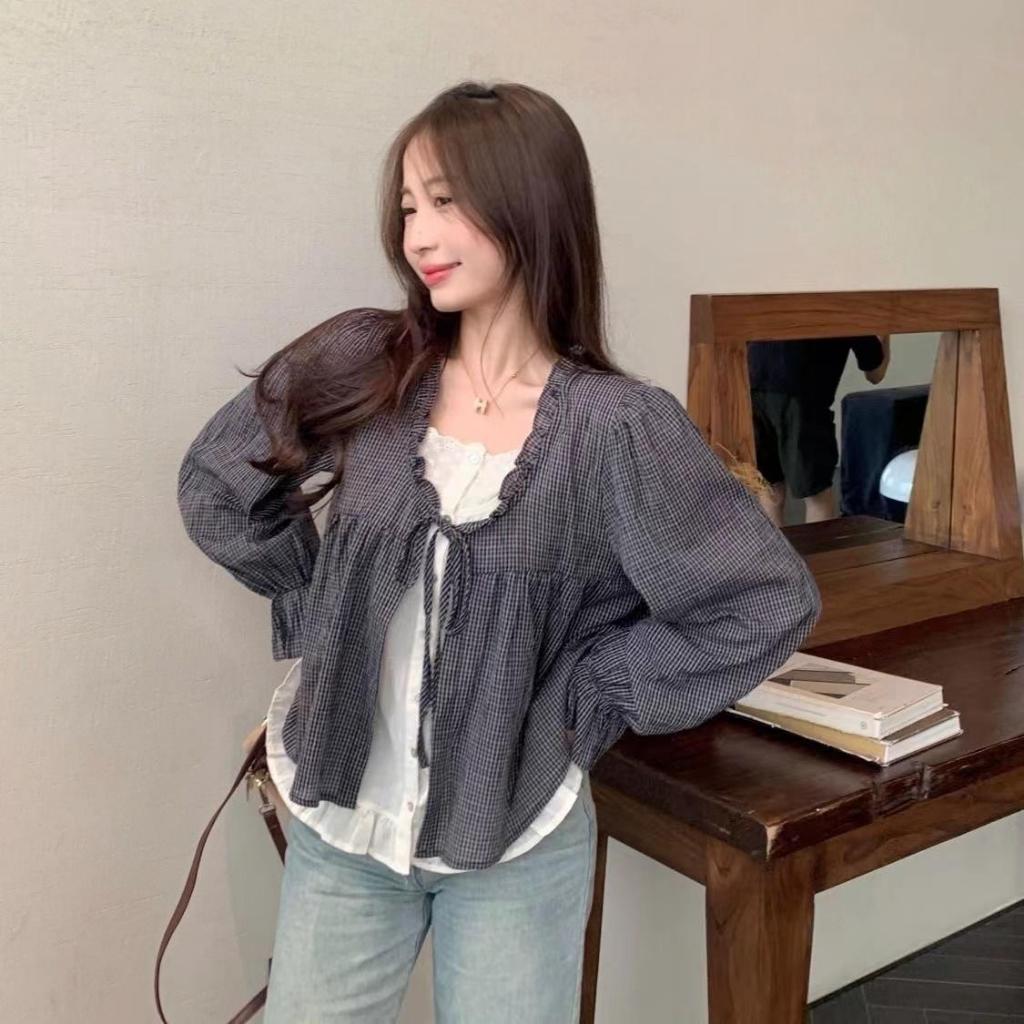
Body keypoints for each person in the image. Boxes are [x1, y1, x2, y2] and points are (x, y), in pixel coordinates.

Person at [177, 80, 822, 1024]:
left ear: (530, 202)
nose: (418, 237)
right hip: (343, 829)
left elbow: (761, 601)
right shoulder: (371, 363)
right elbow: (218, 483)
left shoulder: (617, 428)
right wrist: (324, 610)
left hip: (518, 840)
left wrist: (589, 693)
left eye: (445, 201)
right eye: (408, 207)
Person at [747, 335, 891, 526]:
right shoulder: (848, 316)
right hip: (801, 397)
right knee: (817, 494)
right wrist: (885, 333)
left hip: (752, 383)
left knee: (769, 489)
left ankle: (772, 547)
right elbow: (875, 374)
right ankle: (819, 547)